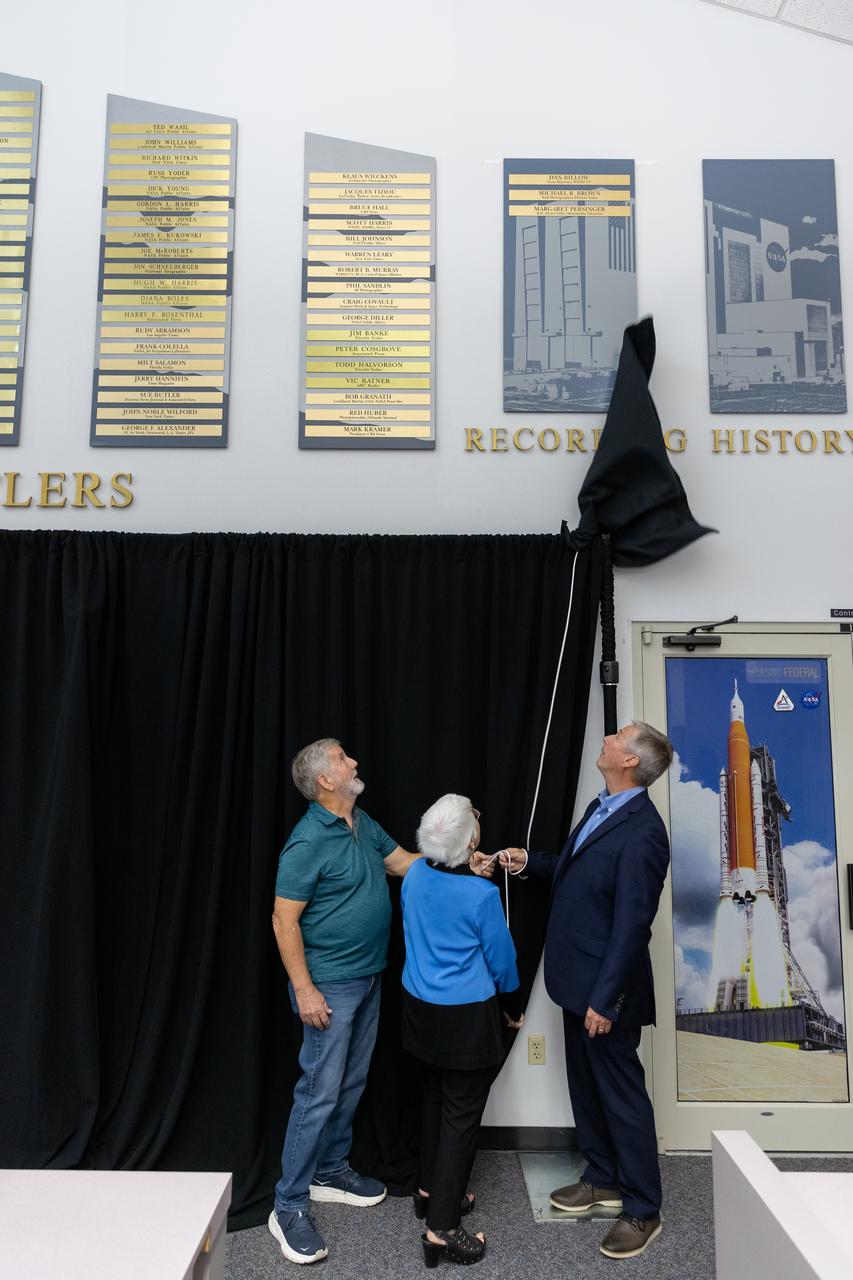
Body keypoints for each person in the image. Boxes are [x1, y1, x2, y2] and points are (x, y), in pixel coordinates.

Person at [500, 721, 673, 1261]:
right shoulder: (605, 807)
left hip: (604, 993)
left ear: (629, 761)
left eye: (617, 736)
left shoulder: (644, 831)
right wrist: (530, 863)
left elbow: (631, 925)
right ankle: (601, 1177)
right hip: (575, 984)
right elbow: (578, 875)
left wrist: (606, 999)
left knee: (621, 1097)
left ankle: (643, 1209)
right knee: (586, 1087)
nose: (607, 738)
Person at [269, 739, 421, 1265]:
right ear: (325, 781)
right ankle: (287, 1204)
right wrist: (306, 989)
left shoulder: (361, 823)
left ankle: (331, 1169)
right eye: (342, 759)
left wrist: (464, 859)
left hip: (369, 978)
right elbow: (282, 919)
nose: (354, 761)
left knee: (351, 1081)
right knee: (318, 1090)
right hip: (328, 987)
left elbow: (405, 865)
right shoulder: (307, 841)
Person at [401, 794, 523, 1268]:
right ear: (472, 840)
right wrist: (512, 1007)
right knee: (460, 1118)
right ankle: (443, 1230)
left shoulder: (415, 875)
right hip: (464, 1019)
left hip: (418, 1010)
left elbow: (438, 897)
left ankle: (429, 1190)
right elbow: (502, 961)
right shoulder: (481, 895)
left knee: (434, 1097)